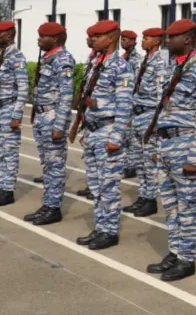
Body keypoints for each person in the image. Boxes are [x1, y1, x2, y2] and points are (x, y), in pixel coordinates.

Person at [145, 19, 196, 282]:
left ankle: (187, 259)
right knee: (171, 206)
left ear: (187, 39)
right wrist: (158, 144)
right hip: (167, 144)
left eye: (171, 37)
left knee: (188, 207)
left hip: (187, 144)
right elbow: (162, 110)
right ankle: (175, 252)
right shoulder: (172, 68)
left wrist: (195, 156)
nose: (167, 41)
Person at [76, 20, 133, 250]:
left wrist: (116, 138)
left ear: (111, 39)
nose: (93, 39)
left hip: (109, 130)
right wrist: (85, 128)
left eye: (98, 36)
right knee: (96, 185)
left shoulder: (121, 66)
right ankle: (100, 226)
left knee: (108, 186)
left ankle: (110, 231)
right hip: (93, 130)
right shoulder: (96, 63)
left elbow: (124, 104)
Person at [24, 22, 76, 226]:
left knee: (55, 165)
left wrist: (59, 126)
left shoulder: (63, 60)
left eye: (42, 36)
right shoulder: (48, 58)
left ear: (54, 39)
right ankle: (48, 204)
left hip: (53, 118)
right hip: (42, 117)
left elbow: (66, 95)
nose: (38, 40)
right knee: (47, 164)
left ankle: (54, 208)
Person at [0, 21, 29, 207]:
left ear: (10, 34)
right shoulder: (1, 55)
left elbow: (23, 88)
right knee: (2, 152)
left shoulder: (16, 57)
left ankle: (8, 191)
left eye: (0, 34)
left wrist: (16, 115)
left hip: (9, 109)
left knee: (9, 152)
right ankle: (3, 187)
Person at [122, 27, 167, 217]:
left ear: (157, 41)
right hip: (138, 115)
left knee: (149, 162)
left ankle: (150, 200)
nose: (143, 41)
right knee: (139, 161)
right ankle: (142, 196)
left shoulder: (160, 64)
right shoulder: (143, 62)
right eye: (143, 38)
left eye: (147, 38)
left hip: (149, 116)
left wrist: (156, 124)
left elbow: (160, 96)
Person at [77, 35, 99, 199]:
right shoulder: (92, 58)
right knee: (89, 155)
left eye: (93, 37)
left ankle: (96, 188)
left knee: (100, 158)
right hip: (88, 113)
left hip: (101, 116)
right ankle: (91, 185)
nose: (89, 40)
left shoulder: (104, 62)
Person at [121, 30, 143, 180]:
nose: (123, 42)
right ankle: (126, 164)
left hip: (132, 102)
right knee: (124, 135)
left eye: (126, 40)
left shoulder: (138, 60)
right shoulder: (121, 59)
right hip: (122, 100)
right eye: (122, 39)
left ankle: (131, 166)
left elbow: (136, 84)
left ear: (134, 42)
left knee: (132, 137)